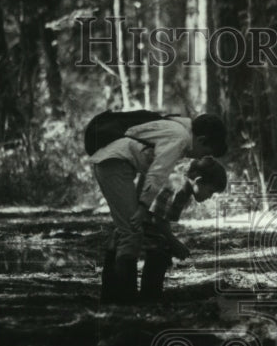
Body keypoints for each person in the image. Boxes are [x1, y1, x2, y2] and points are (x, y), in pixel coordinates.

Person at [88, 111, 227, 304]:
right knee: (130, 232)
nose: (201, 157)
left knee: (126, 232)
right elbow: (157, 172)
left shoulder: (179, 128)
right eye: (205, 152)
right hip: (114, 163)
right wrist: (143, 206)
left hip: (118, 163)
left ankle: (114, 296)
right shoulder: (179, 138)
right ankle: (124, 301)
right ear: (201, 139)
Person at [135, 156, 229, 302]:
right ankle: (150, 297)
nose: (209, 197)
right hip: (139, 224)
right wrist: (175, 243)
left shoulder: (182, 186)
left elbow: (160, 220)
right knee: (159, 251)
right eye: (210, 191)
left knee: (163, 249)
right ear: (198, 181)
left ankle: (151, 294)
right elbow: (156, 221)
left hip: (145, 223)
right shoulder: (180, 189)